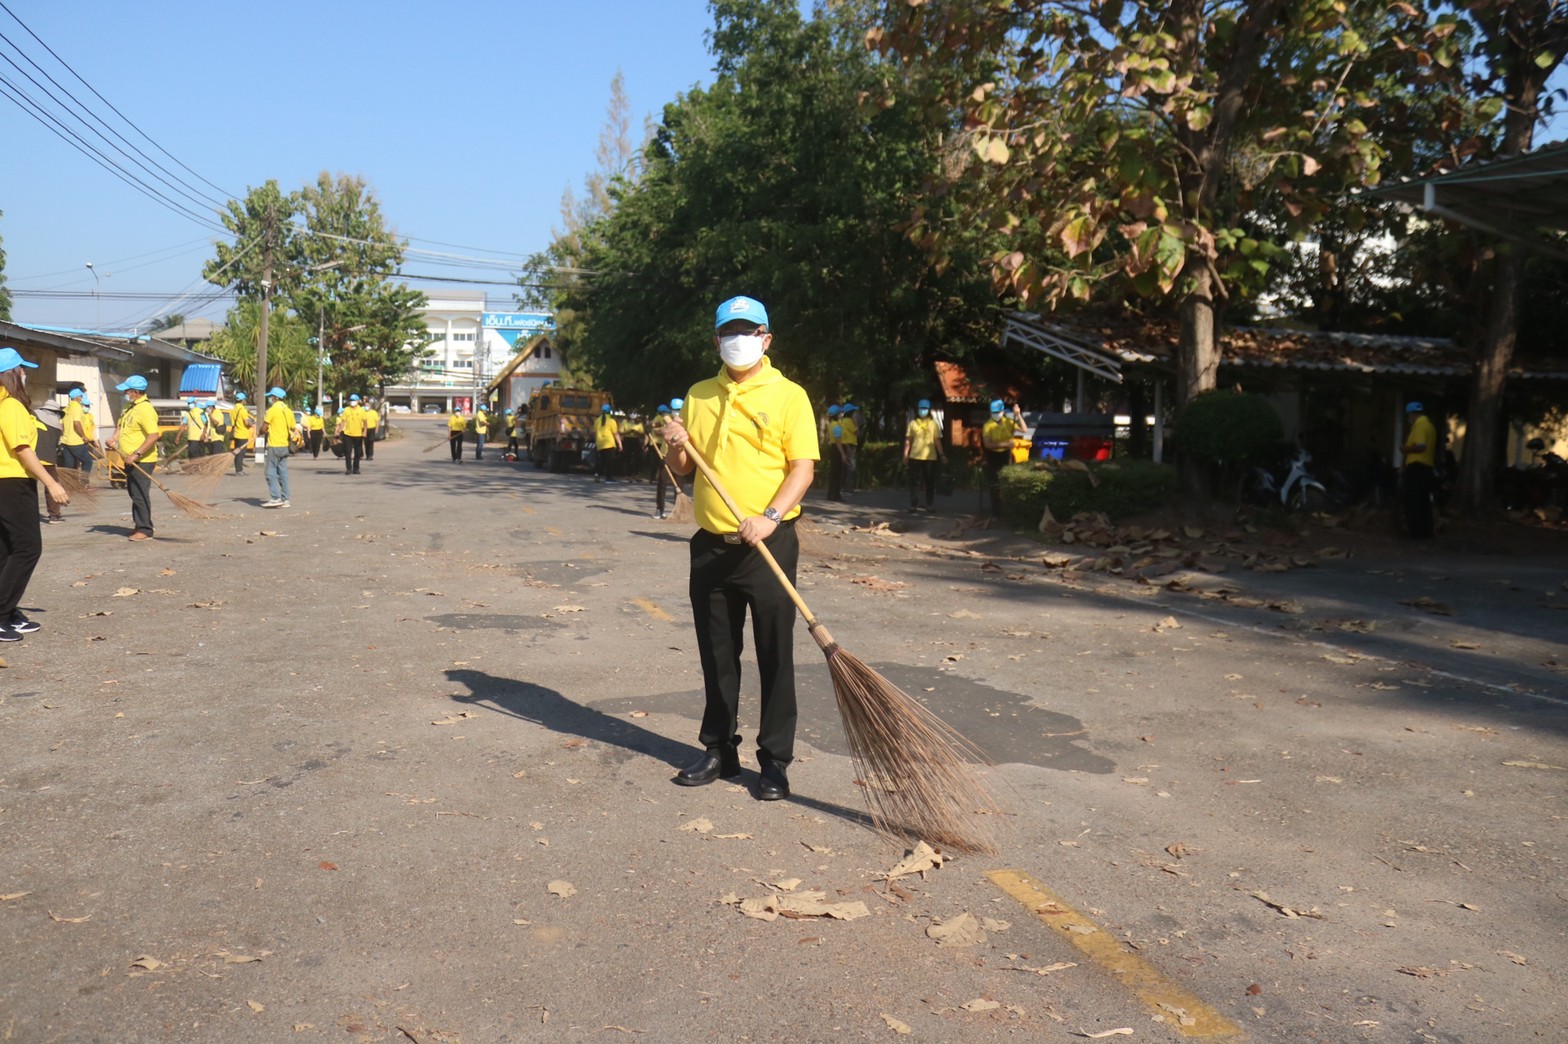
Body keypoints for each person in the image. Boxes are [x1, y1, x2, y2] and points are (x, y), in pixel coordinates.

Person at [663, 295, 818, 802]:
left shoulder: (790, 395)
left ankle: (774, 761)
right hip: (712, 546)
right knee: (717, 655)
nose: (738, 339)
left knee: (775, 655)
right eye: (729, 331)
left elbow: (802, 468)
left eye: (748, 331)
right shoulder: (699, 394)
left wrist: (769, 518)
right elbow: (684, 468)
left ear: (766, 339)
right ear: (716, 340)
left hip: (769, 546)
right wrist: (675, 443)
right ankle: (719, 749)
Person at [0, 348, 71, 640]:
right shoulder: (11, 406)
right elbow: (22, 449)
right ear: (12, 374)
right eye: (22, 369)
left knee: (7, 549)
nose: (25, 374)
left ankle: (8, 611)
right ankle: (2, 613)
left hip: (5, 483)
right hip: (13, 483)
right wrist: (51, 483)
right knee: (28, 548)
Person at [107, 374, 160, 541]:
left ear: (136, 392)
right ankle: (139, 524)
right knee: (133, 492)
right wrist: (114, 438)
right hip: (128, 458)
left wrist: (137, 454)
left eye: (127, 391)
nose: (125, 393)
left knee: (139, 494)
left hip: (143, 460)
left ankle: (145, 529)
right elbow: (121, 427)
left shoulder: (145, 410)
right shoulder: (129, 407)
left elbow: (153, 436)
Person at [1401, 401, 1436, 540]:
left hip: (1417, 468)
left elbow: (1421, 447)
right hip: (1427, 468)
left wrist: (1405, 449)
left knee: (1412, 501)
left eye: (1409, 415)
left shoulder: (1420, 426)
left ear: (1411, 414)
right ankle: (1426, 532)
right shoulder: (1430, 426)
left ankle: (1416, 532)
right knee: (1423, 502)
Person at [903, 398, 945, 513]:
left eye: (925, 408)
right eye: (921, 408)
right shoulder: (912, 424)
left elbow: (937, 441)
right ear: (918, 409)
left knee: (929, 481)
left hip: (930, 457)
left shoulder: (933, 424)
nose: (923, 410)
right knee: (915, 482)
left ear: (929, 410)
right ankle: (913, 505)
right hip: (915, 457)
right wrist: (905, 454)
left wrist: (942, 454)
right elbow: (908, 440)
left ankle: (929, 505)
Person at [981, 398, 1018, 520]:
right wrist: (1006, 444)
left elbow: (1023, 428)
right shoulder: (987, 425)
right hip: (993, 457)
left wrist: (1018, 414)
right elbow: (987, 444)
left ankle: (1008, 511)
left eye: (998, 412)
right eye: (994, 412)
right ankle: (996, 513)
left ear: (1003, 411)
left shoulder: (1009, 422)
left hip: (1007, 455)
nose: (996, 414)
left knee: (1007, 484)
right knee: (994, 485)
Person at [260, 386, 293, 508]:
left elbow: (264, 427)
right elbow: (293, 427)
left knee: (270, 472)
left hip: (274, 445)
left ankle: (275, 498)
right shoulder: (288, 411)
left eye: (271, 397)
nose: (270, 399)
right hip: (284, 445)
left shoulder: (272, 410)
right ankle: (286, 499)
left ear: (275, 398)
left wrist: (261, 431)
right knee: (283, 472)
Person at [58, 387, 93, 477]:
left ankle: (69, 483)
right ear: (77, 397)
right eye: (81, 396)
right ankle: (84, 482)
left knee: (69, 464)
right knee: (87, 461)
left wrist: (63, 435)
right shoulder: (77, 407)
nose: (81, 398)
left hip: (65, 441)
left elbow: (61, 425)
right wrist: (83, 436)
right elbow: (76, 423)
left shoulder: (66, 409)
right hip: (75, 441)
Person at [338, 393, 366, 474]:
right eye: (351, 400)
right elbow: (343, 421)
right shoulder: (346, 410)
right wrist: (339, 430)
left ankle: (356, 468)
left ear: (358, 401)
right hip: (348, 434)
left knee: (357, 452)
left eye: (354, 400)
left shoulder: (361, 410)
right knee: (348, 451)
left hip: (358, 434)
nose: (352, 402)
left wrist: (364, 431)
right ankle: (349, 468)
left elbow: (365, 422)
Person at [594, 404, 622, 483]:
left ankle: (597, 474)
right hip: (609, 443)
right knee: (610, 461)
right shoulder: (612, 421)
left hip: (600, 443)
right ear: (610, 411)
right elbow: (615, 434)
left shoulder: (597, 421)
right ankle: (609, 478)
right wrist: (620, 444)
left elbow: (595, 432)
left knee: (602, 460)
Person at [229, 392, 254, 474]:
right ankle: (239, 470)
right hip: (242, 434)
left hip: (236, 434)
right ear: (243, 400)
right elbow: (246, 422)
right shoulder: (242, 410)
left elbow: (233, 423)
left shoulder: (233, 410)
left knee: (237, 452)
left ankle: (238, 469)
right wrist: (251, 424)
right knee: (241, 453)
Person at [839, 402, 860, 493]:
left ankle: (843, 487)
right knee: (851, 467)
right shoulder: (849, 421)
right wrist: (856, 422)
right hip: (849, 445)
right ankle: (848, 488)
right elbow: (857, 432)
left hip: (845, 444)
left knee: (845, 467)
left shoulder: (842, 421)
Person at [824, 404, 844, 501]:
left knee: (833, 472)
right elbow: (838, 442)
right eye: (840, 413)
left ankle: (831, 494)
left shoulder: (831, 425)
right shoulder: (837, 427)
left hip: (832, 448)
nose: (841, 414)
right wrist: (843, 454)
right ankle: (835, 495)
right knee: (837, 473)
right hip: (837, 449)